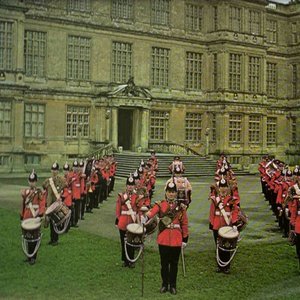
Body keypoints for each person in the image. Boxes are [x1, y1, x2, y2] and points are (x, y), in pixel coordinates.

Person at [146, 181, 189, 295]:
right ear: (166, 193)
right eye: (169, 192)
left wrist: (185, 239)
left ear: (176, 193)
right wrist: (144, 217)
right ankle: (164, 285)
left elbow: (184, 223)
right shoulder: (160, 204)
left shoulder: (180, 207)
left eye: (173, 192)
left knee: (174, 264)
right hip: (164, 239)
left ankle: (173, 286)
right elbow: (151, 214)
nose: (171, 194)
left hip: (176, 239)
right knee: (164, 264)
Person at [209, 178, 239, 274]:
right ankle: (219, 266)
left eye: (225, 187)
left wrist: (234, 223)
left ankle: (226, 267)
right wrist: (211, 222)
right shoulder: (215, 199)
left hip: (227, 225)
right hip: (217, 225)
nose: (223, 189)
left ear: (228, 188)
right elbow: (212, 211)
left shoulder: (231, 199)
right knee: (218, 246)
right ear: (219, 188)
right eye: (221, 187)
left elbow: (234, 211)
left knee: (227, 247)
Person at [20, 170, 45, 265]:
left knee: (34, 237)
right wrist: (22, 216)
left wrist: (40, 215)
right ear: (28, 181)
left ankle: (33, 257)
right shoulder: (25, 192)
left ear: (36, 181)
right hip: (27, 216)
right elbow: (23, 205)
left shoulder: (39, 192)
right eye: (30, 181)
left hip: (35, 216)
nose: (32, 183)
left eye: (33, 181)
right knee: (27, 237)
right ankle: (29, 256)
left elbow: (42, 204)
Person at [115, 175, 138, 268]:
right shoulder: (122, 196)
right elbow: (118, 209)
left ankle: (131, 260)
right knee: (123, 241)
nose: (130, 187)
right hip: (123, 221)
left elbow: (139, 208)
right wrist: (118, 219)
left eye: (132, 185)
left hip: (132, 221)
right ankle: (125, 260)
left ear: (134, 186)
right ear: (126, 186)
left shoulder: (137, 196)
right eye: (128, 185)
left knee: (131, 242)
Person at [43, 162, 66, 246]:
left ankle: (55, 239)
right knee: (51, 223)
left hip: (56, 205)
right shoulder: (47, 181)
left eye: (55, 170)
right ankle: (52, 239)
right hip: (50, 204)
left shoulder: (61, 180)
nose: (54, 171)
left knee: (56, 223)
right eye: (53, 170)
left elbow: (66, 187)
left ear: (58, 171)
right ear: (51, 170)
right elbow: (44, 187)